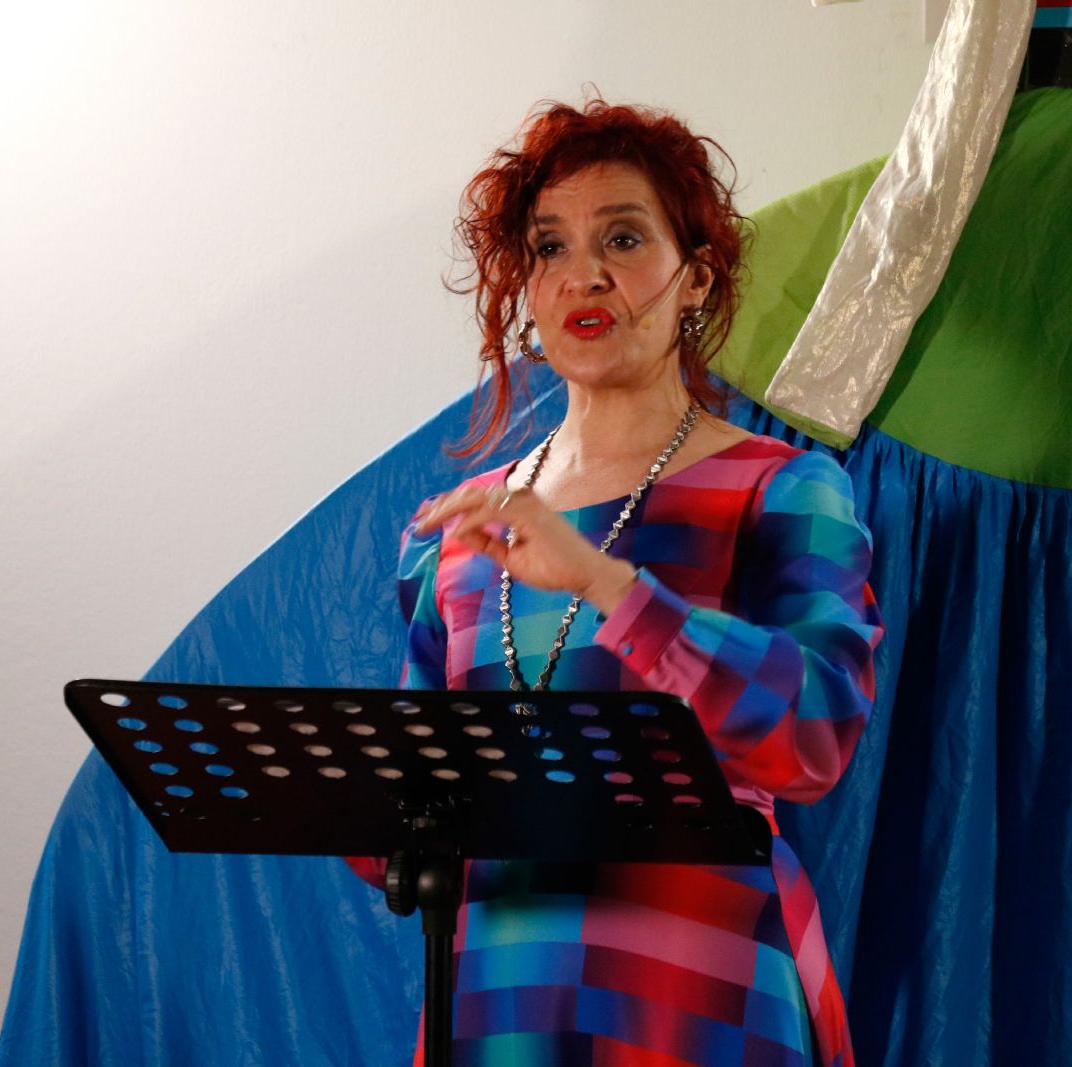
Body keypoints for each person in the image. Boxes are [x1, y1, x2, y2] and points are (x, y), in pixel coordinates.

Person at [351, 98, 883, 1067]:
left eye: (624, 238)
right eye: (549, 246)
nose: (583, 273)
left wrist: (606, 581)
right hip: (499, 999)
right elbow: (411, 821)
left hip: (703, 995)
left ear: (696, 278)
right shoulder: (463, 530)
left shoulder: (783, 488)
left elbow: (812, 734)